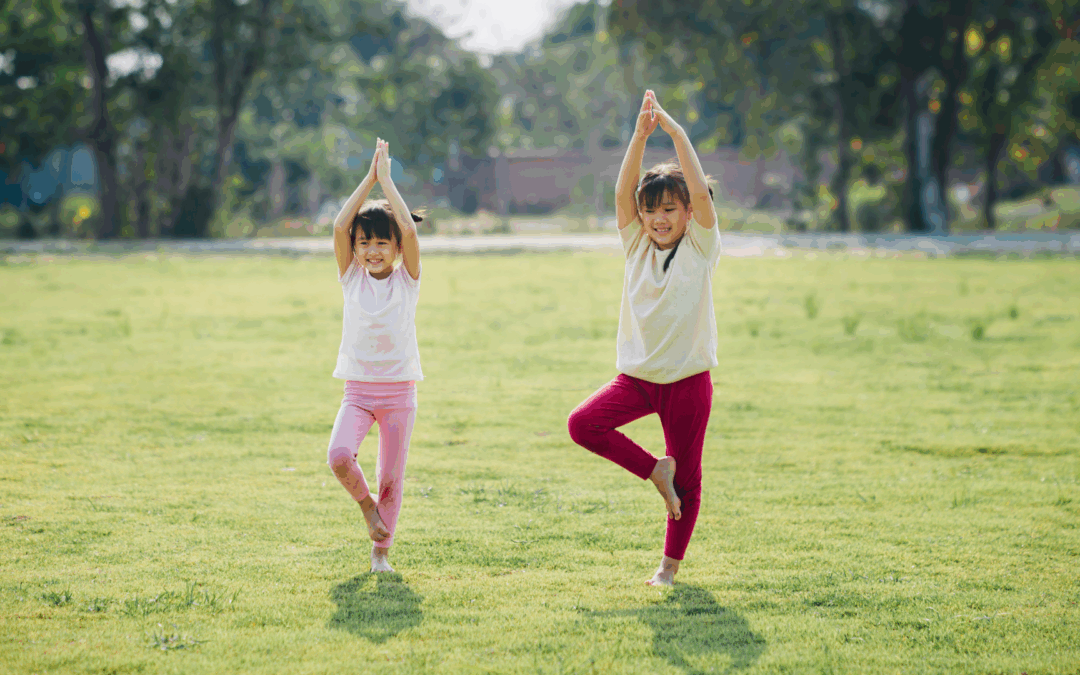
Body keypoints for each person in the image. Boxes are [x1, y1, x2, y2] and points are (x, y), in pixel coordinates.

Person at [567, 90, 721, 586]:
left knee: (690, 482)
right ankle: (656, 470)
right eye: (651, 209)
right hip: (636, 379)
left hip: (687, 382)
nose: (659, 218)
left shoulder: (700, 246)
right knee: (582, 424)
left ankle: (668, 568)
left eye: (670, 209)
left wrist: (676, 135)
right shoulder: (635, 245)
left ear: (687, 214)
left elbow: (700, 194)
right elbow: (620, 195)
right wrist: (638, 136)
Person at [326, 138, 423, 574]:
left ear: (396, 247)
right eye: (364, 242)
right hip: (358, 392)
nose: (372, 250)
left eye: (382, 242)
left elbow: (410, 229)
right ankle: (368, 509)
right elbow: (338, 226)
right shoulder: (350, 277)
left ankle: (381, 553)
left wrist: (389, 182)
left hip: (400, 393)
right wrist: (369, 180)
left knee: (391, 477)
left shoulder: (407, 280)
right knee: (339, 456)